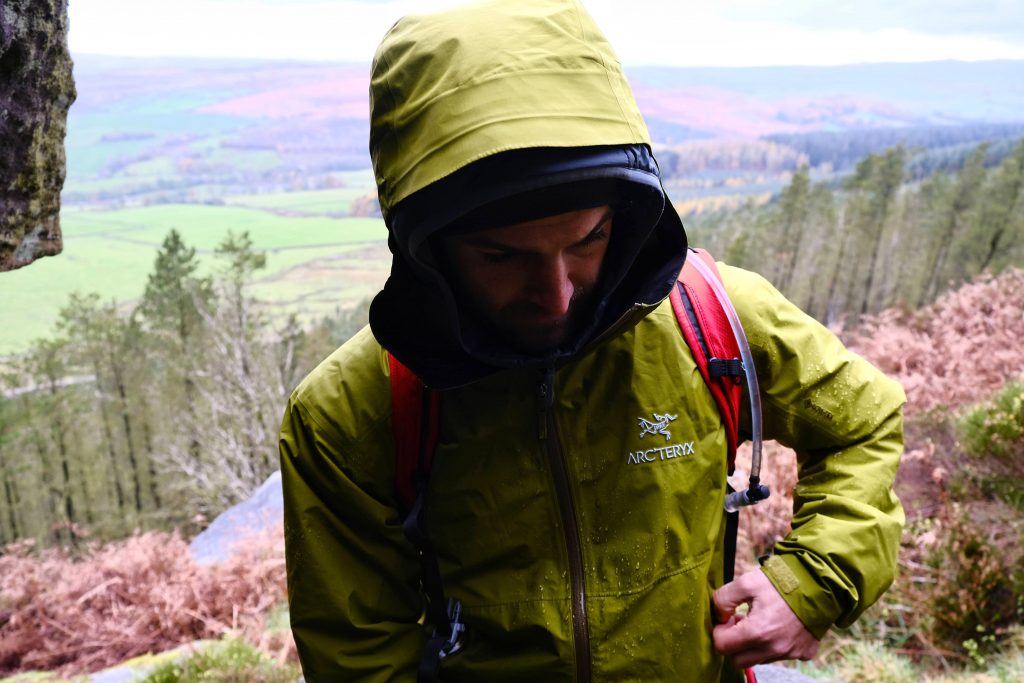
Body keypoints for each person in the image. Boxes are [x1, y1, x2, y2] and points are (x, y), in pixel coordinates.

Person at [278, 1, 906, 680]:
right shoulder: (352, 413)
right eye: (501, 257)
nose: (558, 293)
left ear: (627, 216)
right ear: (427, 247)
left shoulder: (713, 317)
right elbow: (360, 660)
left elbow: (864, 421)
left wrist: (813, 582)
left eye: (588, 240)